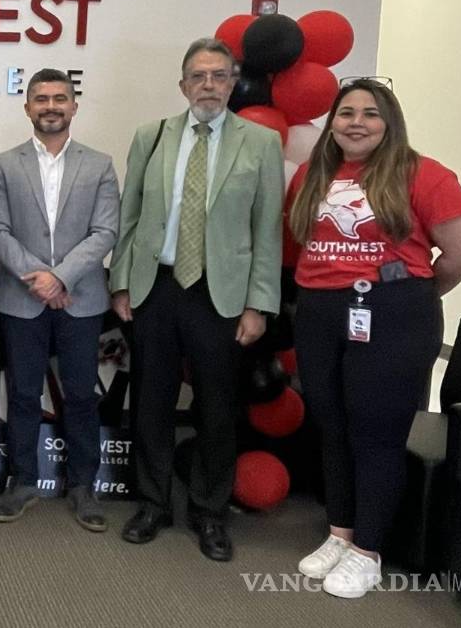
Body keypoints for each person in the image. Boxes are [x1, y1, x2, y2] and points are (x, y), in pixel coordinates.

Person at [286, 78, 461, 598]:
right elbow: (301, 240)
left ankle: (368, 550)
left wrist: (411, 292)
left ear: (389, 121)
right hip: (322, 311)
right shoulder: (312, 174)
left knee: (376, 433)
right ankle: (340, 532)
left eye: (370, 114)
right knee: (332, 424)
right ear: (332, 123)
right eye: (345, 113)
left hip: (393, 313)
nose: (356, 122)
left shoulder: (426, 174)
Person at [110, 37, 283, 562]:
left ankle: (209, 511)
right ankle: (153, 502)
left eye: (218, 75)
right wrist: (120, 282)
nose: (208, 85)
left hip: (219, 291)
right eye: (198, 76)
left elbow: (267, 228)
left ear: (232, 82)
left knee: (216, 405)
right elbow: (130, 214)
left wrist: (259, 303)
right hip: (156, 286)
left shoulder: (260, 143)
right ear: (183, 84)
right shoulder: (152, 136)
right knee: (152, 401)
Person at [0, 69, 119, 531]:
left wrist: (60, 278)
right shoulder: (3, 164)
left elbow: (106, 231)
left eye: (59, 98)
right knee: (23, 393)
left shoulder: (100, 164)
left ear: (73, 106)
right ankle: (22, 480)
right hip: (20, 299)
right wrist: (38, 280)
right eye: (41, 99)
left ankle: (83, 485)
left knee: (82, 394)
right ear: (27, 107)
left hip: (80, 299)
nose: (50, 106)